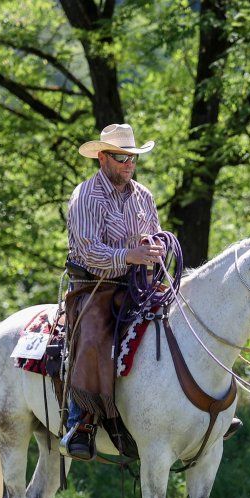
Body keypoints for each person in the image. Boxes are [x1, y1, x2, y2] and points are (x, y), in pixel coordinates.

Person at [60, 123, 167, 458]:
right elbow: (89, 251)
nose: (129, 164)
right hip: (96, 286)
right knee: (94, 335)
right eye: (121, 157)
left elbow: (157, 235)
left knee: (183, 315)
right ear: (102, 158)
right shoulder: (86, 196)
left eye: (132, 158)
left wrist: (156, 247)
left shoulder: (143, 196)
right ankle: (83, 419)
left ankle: (199, 402)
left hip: (138, 284)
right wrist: (128, 255)